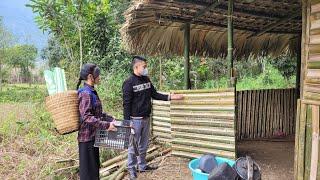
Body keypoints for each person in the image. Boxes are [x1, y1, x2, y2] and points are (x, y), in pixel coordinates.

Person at [122, 56, 184, 180]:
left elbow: (155, 94)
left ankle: (142, 166)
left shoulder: (147, 80)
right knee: (133, 146)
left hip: (146, 118)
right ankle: (131, 169)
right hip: (135, 120)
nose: (146, 69)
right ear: (136, 67)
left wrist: (170, 97)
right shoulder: (128, 83)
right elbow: (126, 104)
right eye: (144, 66)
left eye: (146, 66)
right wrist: (127, 122)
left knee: (143, 145)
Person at [76, 63, 117, 180]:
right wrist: (106, 125)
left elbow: (96, 113)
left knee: (94, 172)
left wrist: (109, 118)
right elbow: (87, 117)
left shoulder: (92, 91)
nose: (100, 77)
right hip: (86, 139)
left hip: (93, 137)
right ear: (90, 77)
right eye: (98, 75)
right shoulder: (85, 93)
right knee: (88, 174)